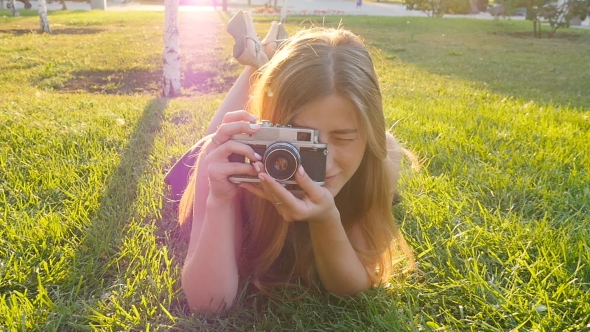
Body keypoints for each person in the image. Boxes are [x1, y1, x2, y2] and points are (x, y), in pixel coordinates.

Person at [165, 10, 416, 315]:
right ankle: (257, 67)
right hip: (199, 167)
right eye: (301, 137)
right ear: (272, 130)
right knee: (212, 137)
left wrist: (326, 218)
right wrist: (219, 199)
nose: (323, 160)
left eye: (344, 138)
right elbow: (210, 305)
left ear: (370, 134)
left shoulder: (383, 156)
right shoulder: (230, 160)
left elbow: (352, 286)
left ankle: (262, 60)